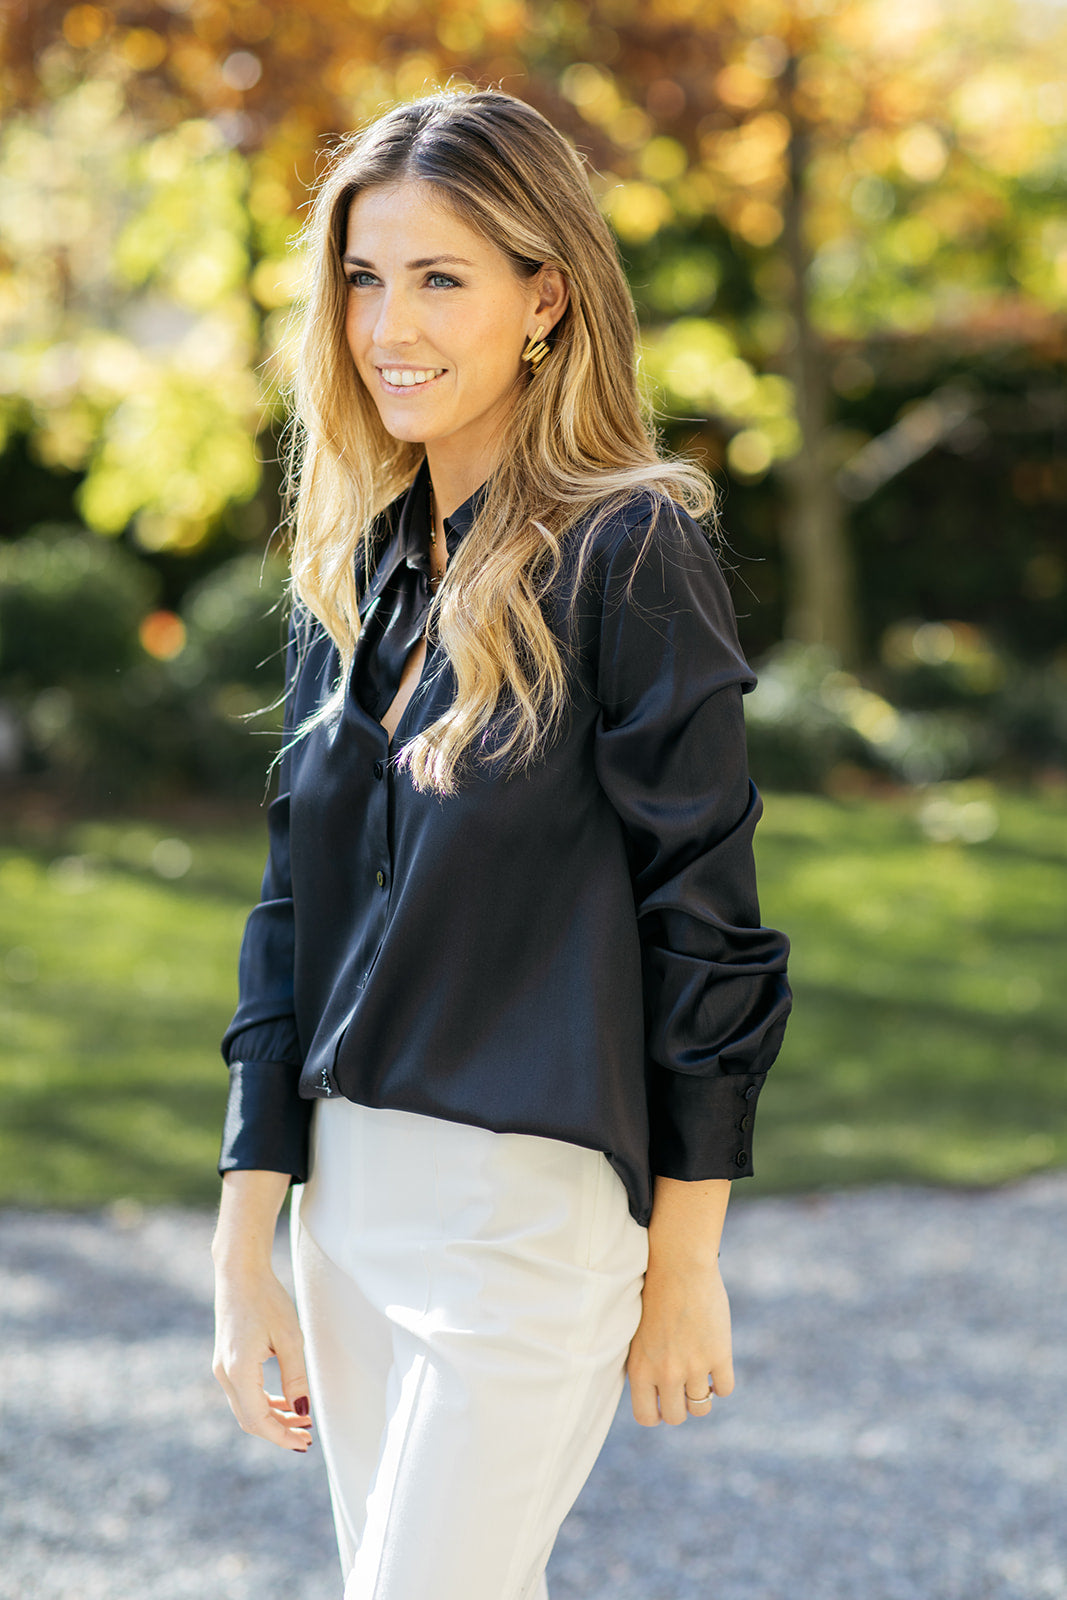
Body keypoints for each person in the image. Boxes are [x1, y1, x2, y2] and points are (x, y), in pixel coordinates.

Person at [211, 87, 791, 1600]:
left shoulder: (632, 549)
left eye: (440, 278)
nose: (388, 325)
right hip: (346, 1211)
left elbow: (707, 927)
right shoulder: (357, 569)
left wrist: (685, 1262)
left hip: (524, 1222)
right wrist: (243, 1244)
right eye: (363, 278)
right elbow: (289, 920)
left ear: (546, 298)